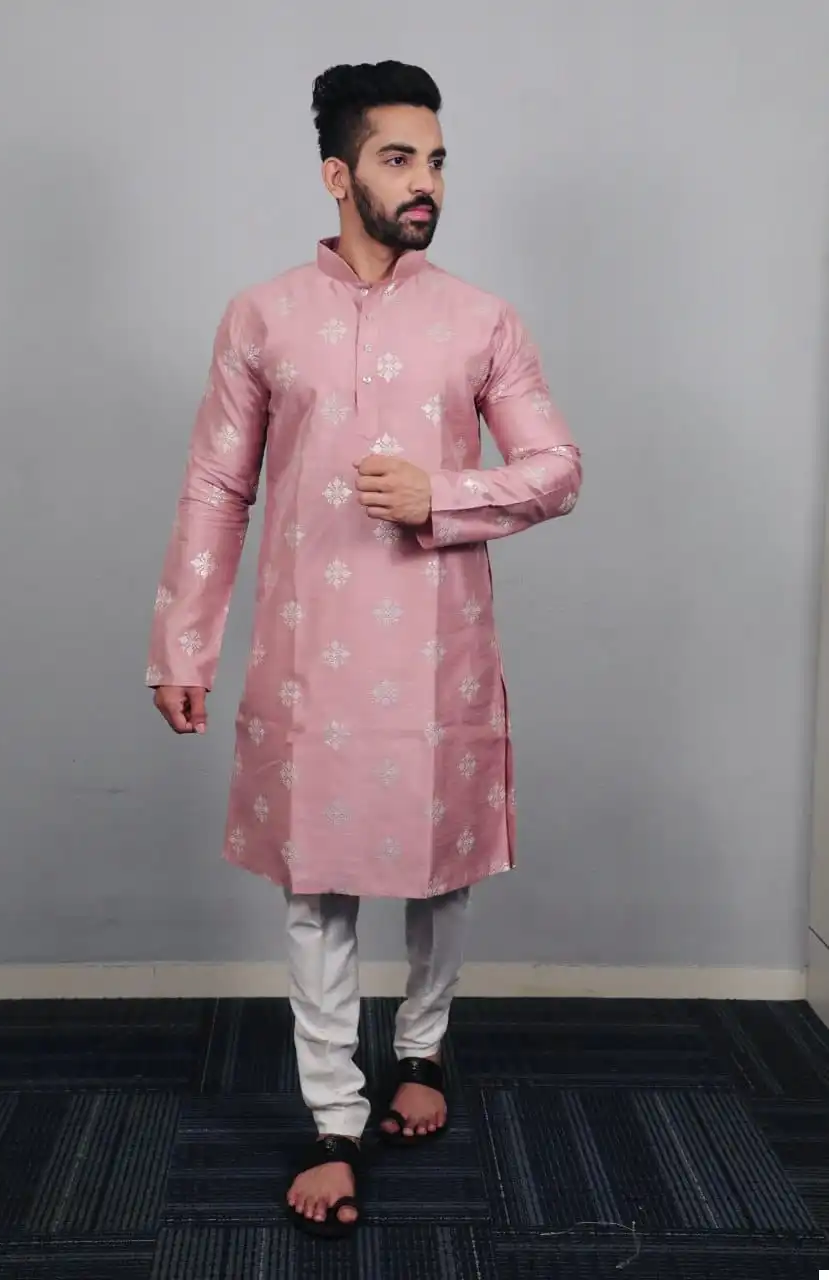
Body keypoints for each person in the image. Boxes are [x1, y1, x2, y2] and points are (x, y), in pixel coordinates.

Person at [146, 60, 582, 1238]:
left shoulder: (481, 318)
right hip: (310, 657)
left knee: (442, 873)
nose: (425, 180)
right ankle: (335, 1117)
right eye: (398, 158)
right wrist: (182, 642)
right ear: (338, 175)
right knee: (317, 883)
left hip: (439, 652)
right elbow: (218, 485)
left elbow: (556, 470)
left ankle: (424, 1050)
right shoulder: (263, 316)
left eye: (435, 159)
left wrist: (443, 493)